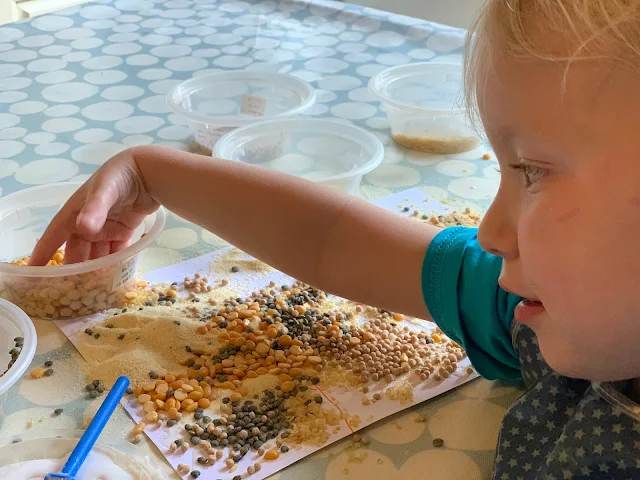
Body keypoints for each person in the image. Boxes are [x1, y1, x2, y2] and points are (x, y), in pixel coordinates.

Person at [31, 0, 640, 477]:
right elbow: (334, 240)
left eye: (532, 171)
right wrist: (154, 172)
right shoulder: (573, 316)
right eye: (501, 169)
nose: (490, 230)